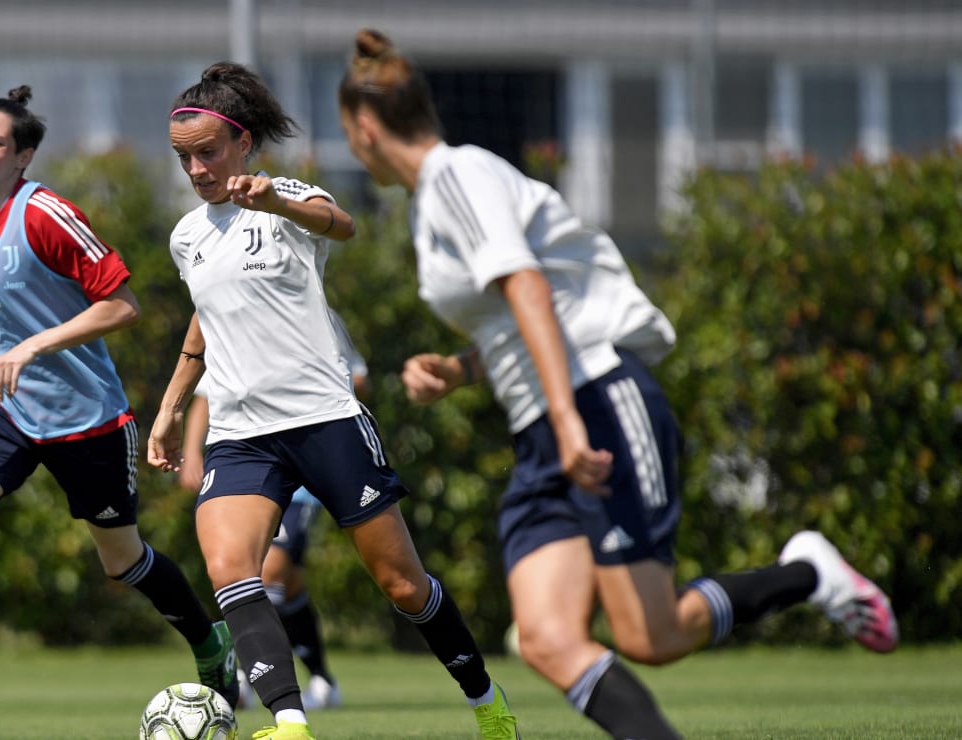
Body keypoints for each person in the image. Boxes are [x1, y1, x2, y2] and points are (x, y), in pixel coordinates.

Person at [337, 29, 898, 740]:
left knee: (650, 635)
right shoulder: (432, 206)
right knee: (545, 637)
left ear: (364, 126)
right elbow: (521, 315)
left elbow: (531, 289)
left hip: (598, 401)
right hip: (548, 426)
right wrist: (461, 369)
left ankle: (808, 575)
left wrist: (570, 423)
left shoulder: (458, 177)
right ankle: (808, 574)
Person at [146, 62, 520, 740]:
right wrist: (173, 408)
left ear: (243, 143)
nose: (196, 168)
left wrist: (276, 202)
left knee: (404, 587)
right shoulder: (187, 237)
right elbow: (204, 319)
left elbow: (341, 224)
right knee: (232, 568)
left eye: (207, 153)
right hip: (239, 431)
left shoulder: (284, 198)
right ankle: (290, 724)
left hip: (325, 419)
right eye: (184, 157)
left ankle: (485, 701)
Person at [0, 85, 238, 737]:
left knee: (123, 562)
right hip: (1, 407)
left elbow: (121, 304)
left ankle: (212, 645)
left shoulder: (46, 216)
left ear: (22, 156)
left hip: (87, 416)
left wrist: (33, 346)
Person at [179, 307, 370, 712]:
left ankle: (253, 676)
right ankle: (321, 678)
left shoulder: (317, 311)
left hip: (303, 468)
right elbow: (205, 392)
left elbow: (358, 379)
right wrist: (193, 450)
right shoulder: (231, 313)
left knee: (270, 572)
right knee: (278, 580)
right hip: (246, 465)